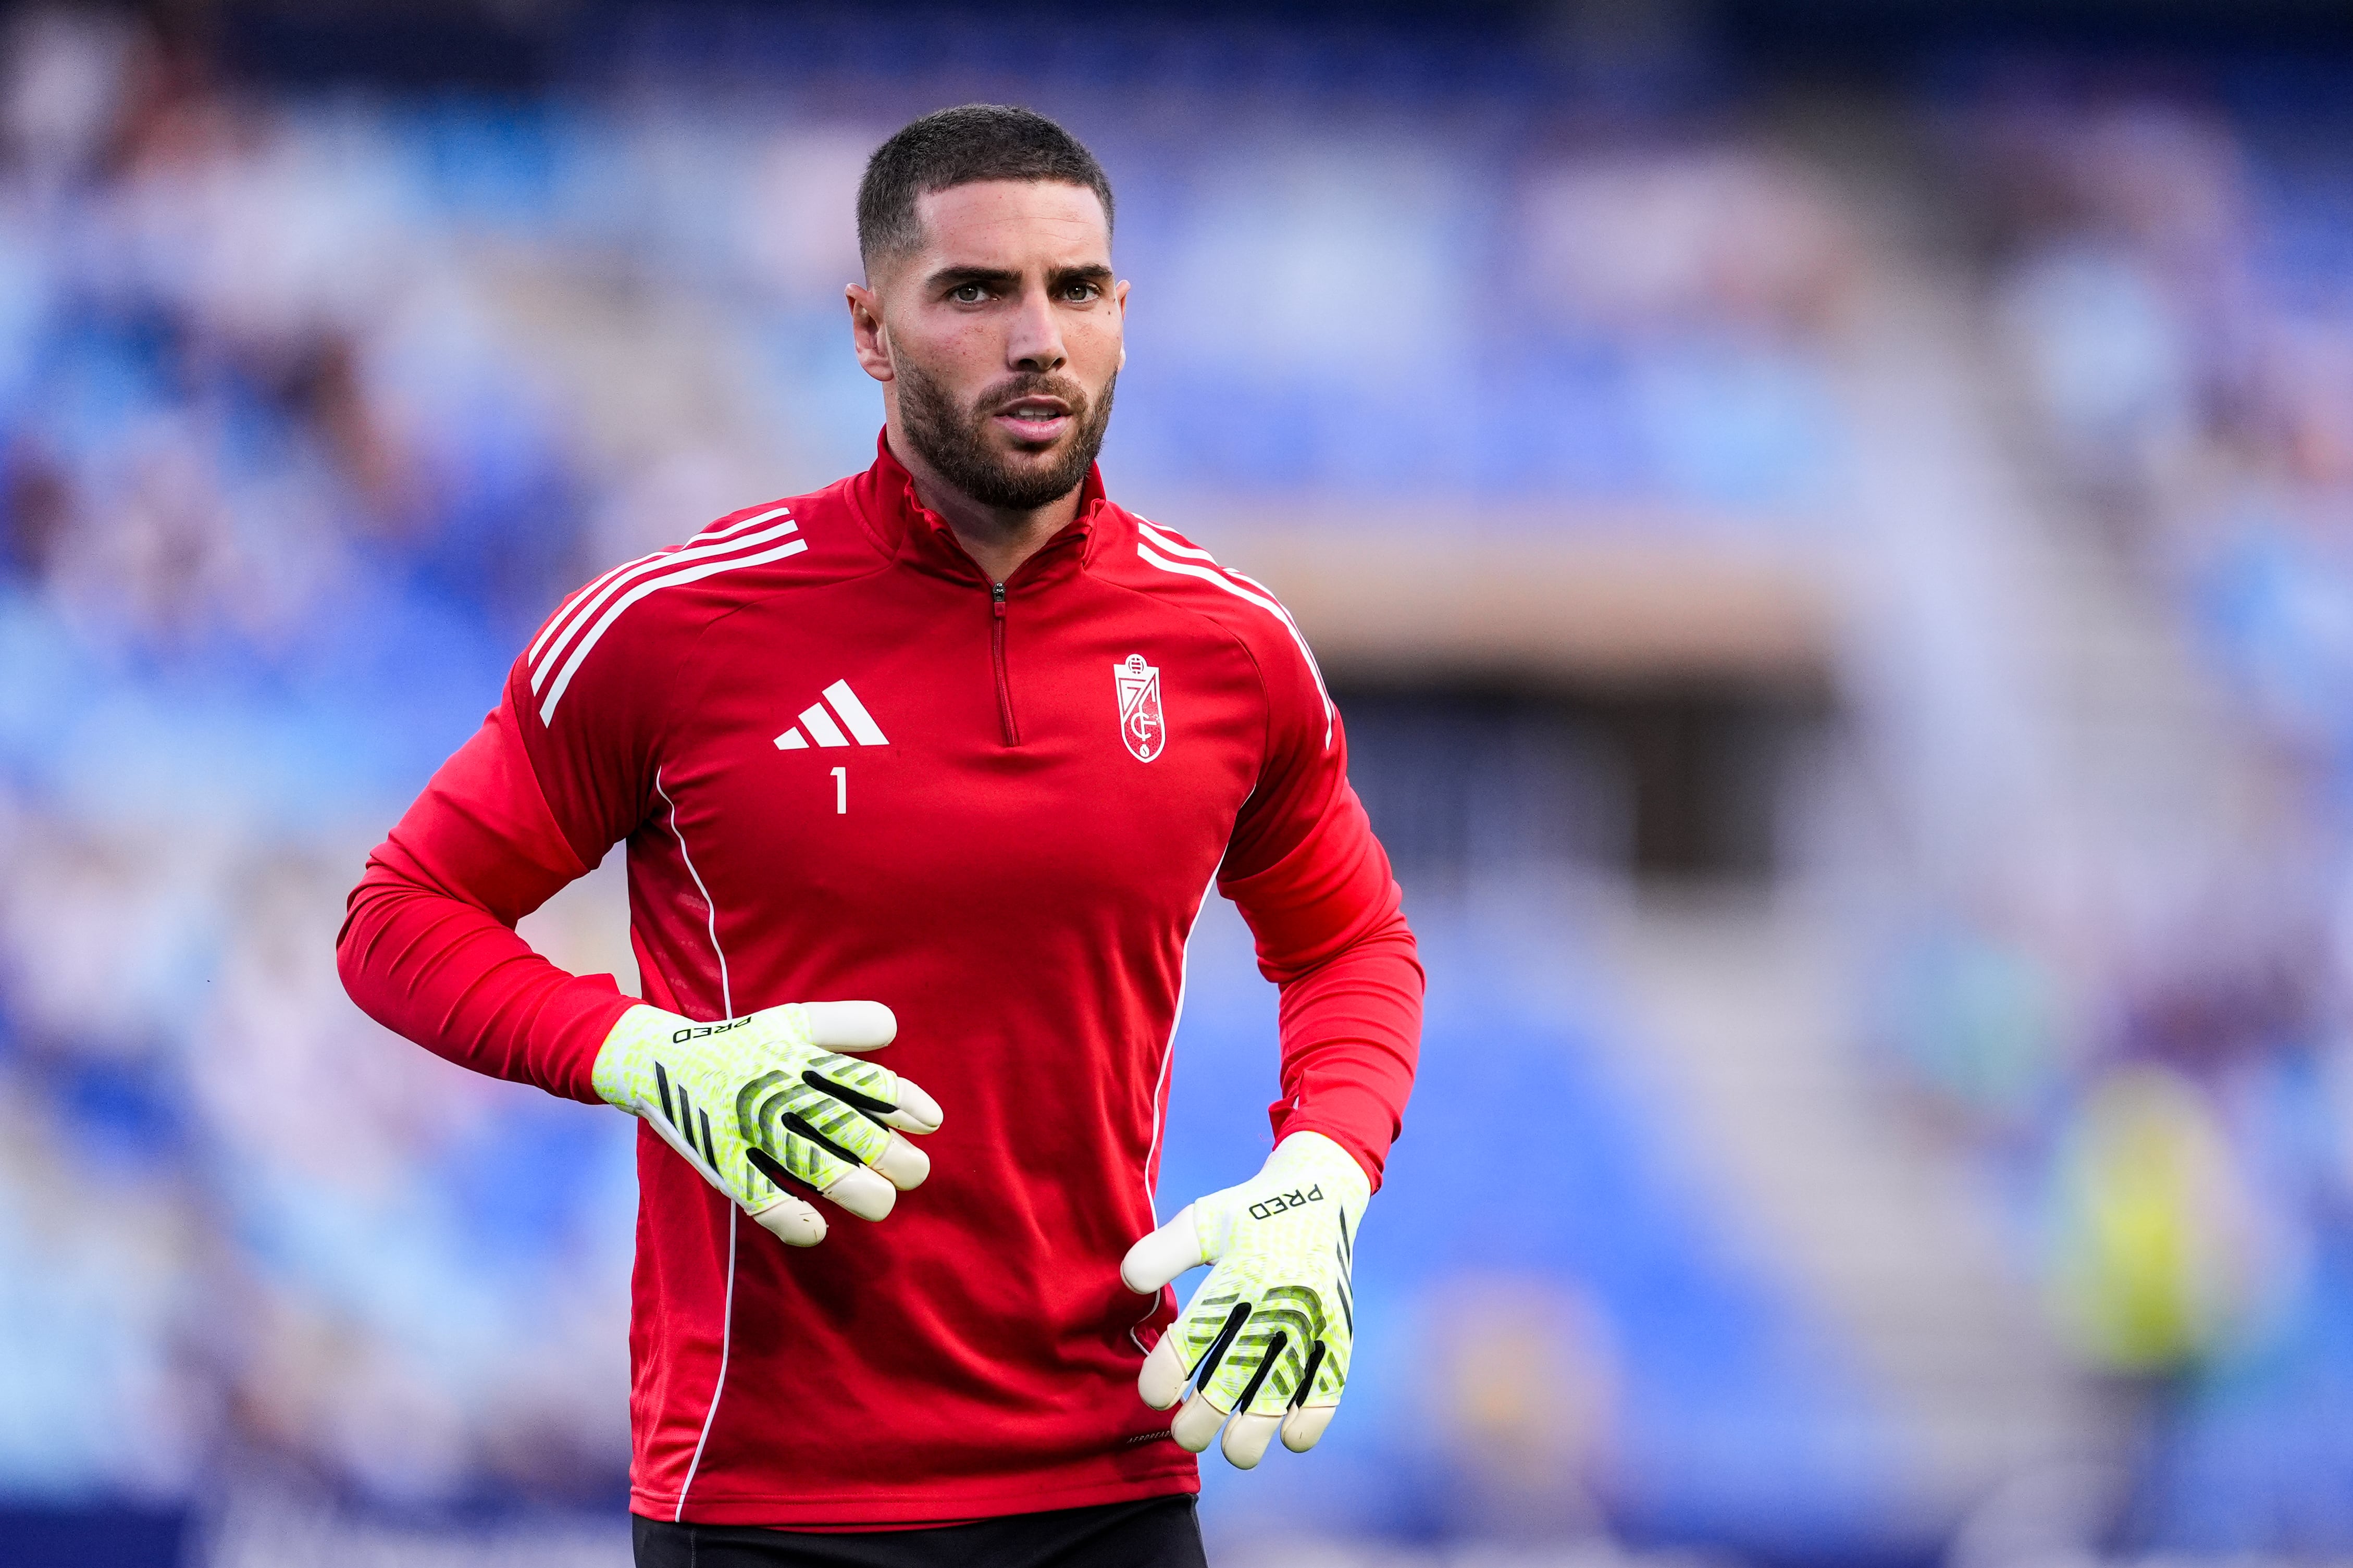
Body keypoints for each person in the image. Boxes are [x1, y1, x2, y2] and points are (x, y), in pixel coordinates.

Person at [337, 103, 1422, 1568]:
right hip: (769, 1502)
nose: (1037, 335)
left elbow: (1351, 942)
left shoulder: (1231, 648)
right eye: (975, 291)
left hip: (1112, 1477)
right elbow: (399, 918)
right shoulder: (673, 626)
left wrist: (1325, 1175)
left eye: (1077, 289)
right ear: (868, 328)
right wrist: (645, 1054)